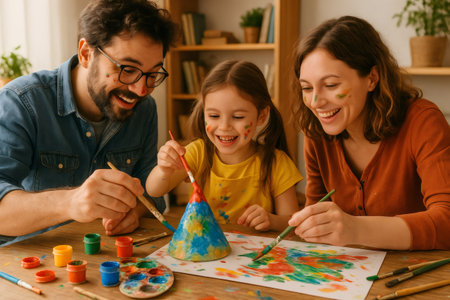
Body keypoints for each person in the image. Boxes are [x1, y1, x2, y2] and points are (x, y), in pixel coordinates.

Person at [0, 0, 177, 246]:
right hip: (33, 269)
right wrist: (71, 203)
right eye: (127, 69)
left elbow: (150, 193)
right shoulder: (21, 103)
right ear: (85, 53)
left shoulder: (144, 109)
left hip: (108, 263)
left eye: (153, 74)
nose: (141, 89)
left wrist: (135, 211)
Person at [288, 16, 450, 250]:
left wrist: (355, 228)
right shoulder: (317, 133)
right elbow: (316, 214)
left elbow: (446, 221)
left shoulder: (423, 122)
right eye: (306, 87)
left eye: (331, 85)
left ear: (372, 78)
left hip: (418, 276)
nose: (315, 102)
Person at [147, 60, 302, 231]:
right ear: (204, 112)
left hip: (255, 253)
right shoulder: (198, 152)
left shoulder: (276, 163)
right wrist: (164, 170)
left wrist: (272, 221)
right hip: (205, 252)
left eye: (237, 117)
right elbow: (154, 191)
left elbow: (293, 223)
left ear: (261, 116)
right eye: (214, 116)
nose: (224, 127)